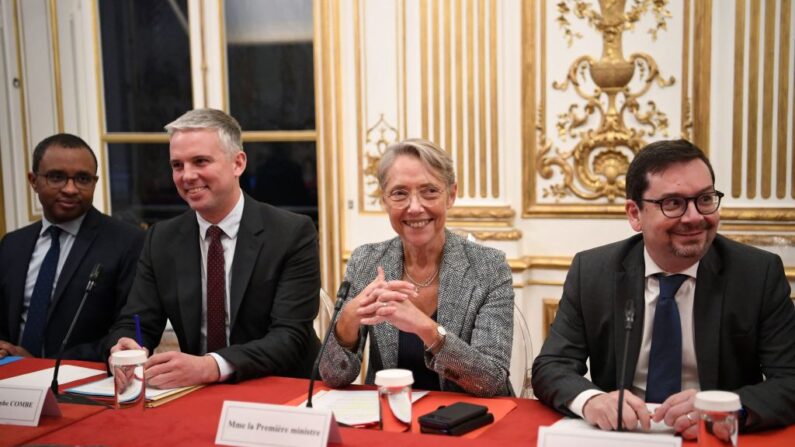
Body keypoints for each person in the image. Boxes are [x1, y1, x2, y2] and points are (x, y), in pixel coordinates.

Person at [532, 139, 795, 438]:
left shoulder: (757, 274)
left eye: (705, 199)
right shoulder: (593, 272)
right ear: (635, 214)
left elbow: (789, 379)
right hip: (621, 437)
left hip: (712, 437)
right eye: (673, 203)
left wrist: (728, 411)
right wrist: (592, 400)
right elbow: (552, 365)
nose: (695, 216)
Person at [105, 108, 321, 387]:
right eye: (177, 165)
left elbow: (290, 338)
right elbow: (136, 321)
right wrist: (123, 346)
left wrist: (212, 366)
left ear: (238, 163)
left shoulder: (292, 233)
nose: (187, 176)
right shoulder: (162, 238)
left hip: (280, 387)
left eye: (200, 161)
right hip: (197, 392)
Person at [319, 138, 514, 397]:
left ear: (451, 195)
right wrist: (347, 321)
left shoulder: (489, 267)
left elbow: (491, 382)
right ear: (385, 200)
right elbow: (333, 377)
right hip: (391, 420)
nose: (415, 207)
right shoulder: (366, 261)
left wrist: (427, 329)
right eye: (400, 193)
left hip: (468, 424)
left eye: (429, 191)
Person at [0, 133, 144, 361]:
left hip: (82, 382)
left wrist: (46, 364)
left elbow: (129, 331)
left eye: (83, 179)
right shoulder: (12, 244)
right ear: (33, 181)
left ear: (95, 183)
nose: (70, 189)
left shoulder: (127, 242)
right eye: (56, 177)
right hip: (12, 383)